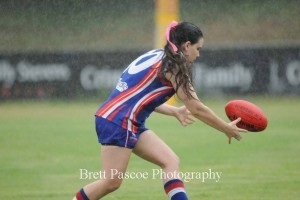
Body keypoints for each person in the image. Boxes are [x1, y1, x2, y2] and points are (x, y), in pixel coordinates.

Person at [73, 21, 247, 200]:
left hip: (122, 119)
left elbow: (139, 97)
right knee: (111, 182)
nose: (199, 54)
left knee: (170, 161)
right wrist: (226, 127)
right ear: (187, 46)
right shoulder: (175, 67)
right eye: (198, 48)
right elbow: (196, 108)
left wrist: (174, 111)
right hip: (120, 121)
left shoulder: (158, 54)